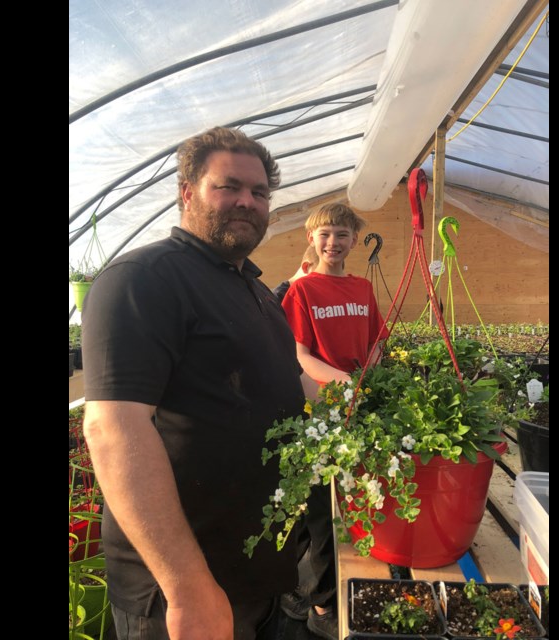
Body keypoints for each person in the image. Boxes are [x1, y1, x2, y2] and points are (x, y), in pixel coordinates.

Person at [82, 126, 318, 640]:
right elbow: (113, 429)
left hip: (255, 570)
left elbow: (292, 381)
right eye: (228, 186)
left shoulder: (256, 292)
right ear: (186, 191)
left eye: (259, 193)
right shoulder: (145, 279)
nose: (246, 202)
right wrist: (188, 586)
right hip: (182, 589)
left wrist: (366, 412)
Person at [279, 202, 389, 640]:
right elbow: (299, 355)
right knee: (322, 509)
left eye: (342, 234)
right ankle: (322, 604)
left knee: (321, 505)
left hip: (357, 405)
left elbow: (377, 343)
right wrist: (342, 380)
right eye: (324, 234)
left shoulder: (362, 289)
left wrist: (370, 377)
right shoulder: (301, 292)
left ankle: (290, 584)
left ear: (354, 242)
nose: (333, 242)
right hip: (317, 410)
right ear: (311, 239)